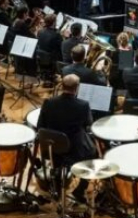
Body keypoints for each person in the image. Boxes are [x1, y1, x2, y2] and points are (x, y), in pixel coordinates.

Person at [37, 74, 96, 203]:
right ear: (77, 87)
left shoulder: (48, 102)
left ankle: (57, 186)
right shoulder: (83, 105)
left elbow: (40, 126)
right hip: (74, 151)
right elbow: (88, 124)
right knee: (93, 152)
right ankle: (80, 189)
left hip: (52, 149)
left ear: (62, 86)